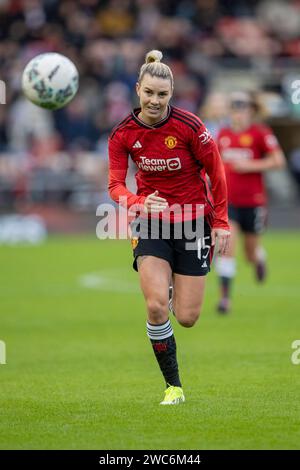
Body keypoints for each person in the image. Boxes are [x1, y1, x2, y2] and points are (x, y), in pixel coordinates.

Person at [108, 50, 230, 405]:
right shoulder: (122, 134)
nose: (155, 100)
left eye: (162, 94)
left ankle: (177, 291)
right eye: (149, 92)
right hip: (150, 223)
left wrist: (220, 223)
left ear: (171, 93)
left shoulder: (190, 127)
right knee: (157, 306)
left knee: (188, 318)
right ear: (137, 89)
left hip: (193, 222)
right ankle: (173, 387)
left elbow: (216, 173)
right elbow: (115, 185)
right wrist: (138, 202)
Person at [215, 91, 286, 313]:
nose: (238, 112)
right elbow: (214, 164)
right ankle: (225, 300)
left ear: (251, 110)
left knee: (250, 252)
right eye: (234, 107)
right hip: (229, 203)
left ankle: (259, 259)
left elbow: (278, 161)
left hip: (254, 203)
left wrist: (250, 166)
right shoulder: (223, 134)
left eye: (243, 107)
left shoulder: (260, 133)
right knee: (226, 248)